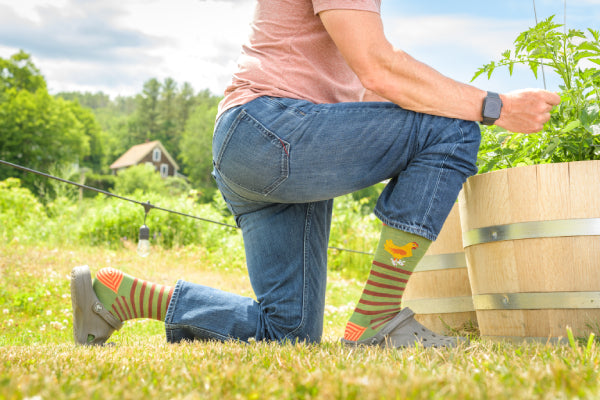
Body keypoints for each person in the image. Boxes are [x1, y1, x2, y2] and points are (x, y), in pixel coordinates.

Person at [71, 0, 560, 347]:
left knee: (286, 333)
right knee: (454, 131)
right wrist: (493, 105)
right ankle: (377, 320)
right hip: (272, 132)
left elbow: (372, 91)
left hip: (260, 148)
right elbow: (379, 67)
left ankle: (120, 294)